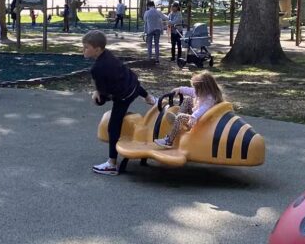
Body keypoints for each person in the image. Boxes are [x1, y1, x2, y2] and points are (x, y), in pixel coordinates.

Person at [83, 30, 156, 175]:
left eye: (86, 47)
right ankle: (149, 98)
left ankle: (111, 163)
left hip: (124, 96)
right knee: (133, 85)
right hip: (133, 84)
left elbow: (104, 98)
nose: (83, 50)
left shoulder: (97, 68)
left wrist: (96, 95)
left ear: (97, 49)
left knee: (113, 126)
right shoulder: (108, 54)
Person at [154, 71, 223, 148]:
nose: (195, 91)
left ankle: (168, 141)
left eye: (197, 89)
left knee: (180, 118)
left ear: (204, 88)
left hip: (200, 121)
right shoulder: (201, 92)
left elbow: (203, 109)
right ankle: (177, 119)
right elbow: (189, 90)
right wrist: (179, 89)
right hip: (196, 116)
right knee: (188, 99)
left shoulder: (210, 98)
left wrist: (193, 116)